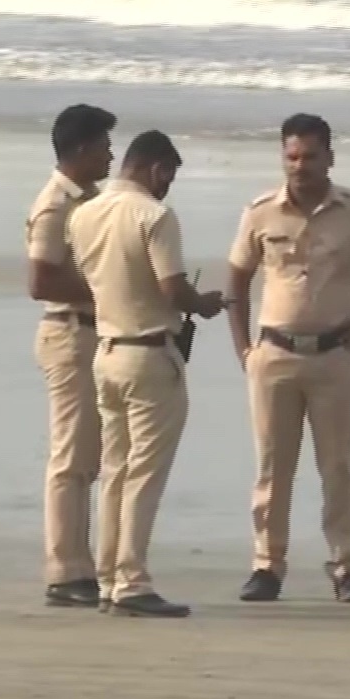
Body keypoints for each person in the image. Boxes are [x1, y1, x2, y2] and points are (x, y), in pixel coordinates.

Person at [225, 113, 350, 603]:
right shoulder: (260, 211)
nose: (300, 166)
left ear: (330, 158)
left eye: (310, 156)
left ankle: (345, 567)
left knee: (337, 466)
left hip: (335, 357)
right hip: (274, 356)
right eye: (292, 156)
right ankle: (267, 566)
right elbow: (236, 278)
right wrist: (243, 349)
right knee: (272, 467)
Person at [67, 129, 225, 618]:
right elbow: (172, 287)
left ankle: (111, 577)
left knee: (114, 471)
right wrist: (206, 304)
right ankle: (132, 580)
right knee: (144, 474)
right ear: (157, 169)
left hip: (106, 350)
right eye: (168, 177)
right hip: (150, 352)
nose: (167, 187)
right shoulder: (154, 216)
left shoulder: (83, 213)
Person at [26, 104, 116, 608]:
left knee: (92, 454)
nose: (110, 154)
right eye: (104, 145)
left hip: (91, 332)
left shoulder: (90, 199)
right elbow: (41, 278)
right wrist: (108, 289)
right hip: (69, 333)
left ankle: (85, 564)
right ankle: (65, 570)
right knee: (72, 456)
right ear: (81, 149)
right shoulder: (56, 203)